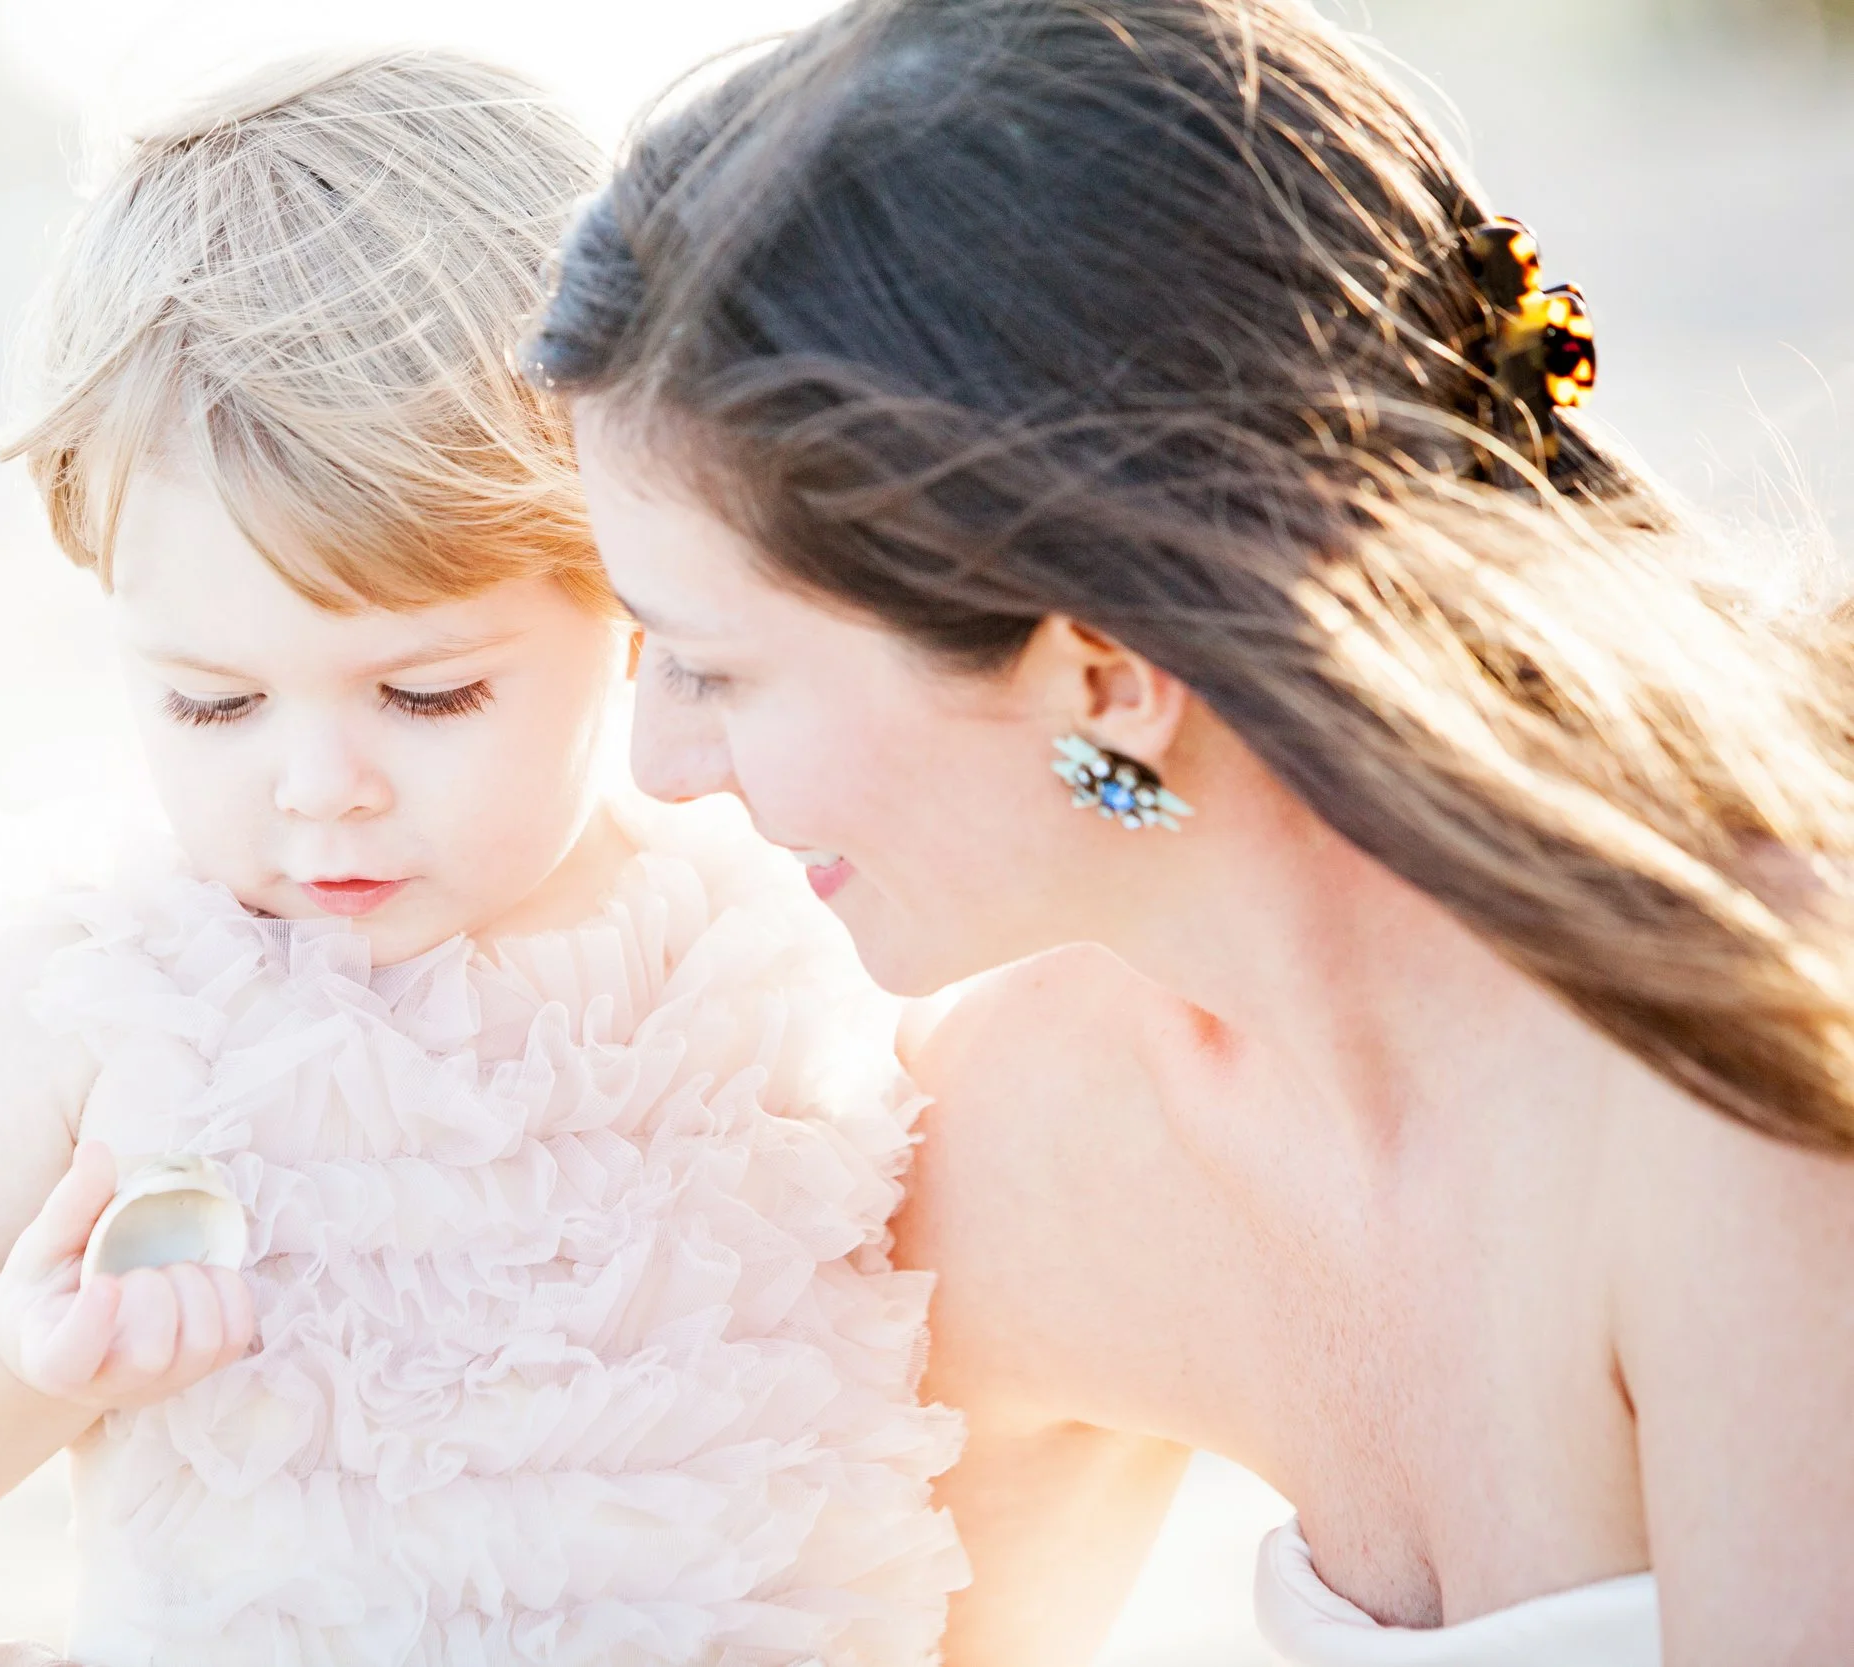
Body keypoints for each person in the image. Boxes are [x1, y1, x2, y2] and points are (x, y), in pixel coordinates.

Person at [523, 0, 1854, 1662]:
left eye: (717, 667)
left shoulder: (1748, 1080)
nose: (658, 765)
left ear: (1100, 669)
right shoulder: (1028, 1130)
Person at [0, 48, 971, 1667]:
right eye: (213, 701)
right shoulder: (115, 1007)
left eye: (428, 689)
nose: (321, 789)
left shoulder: (761, 958)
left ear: (626, 587)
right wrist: (21, 1356)